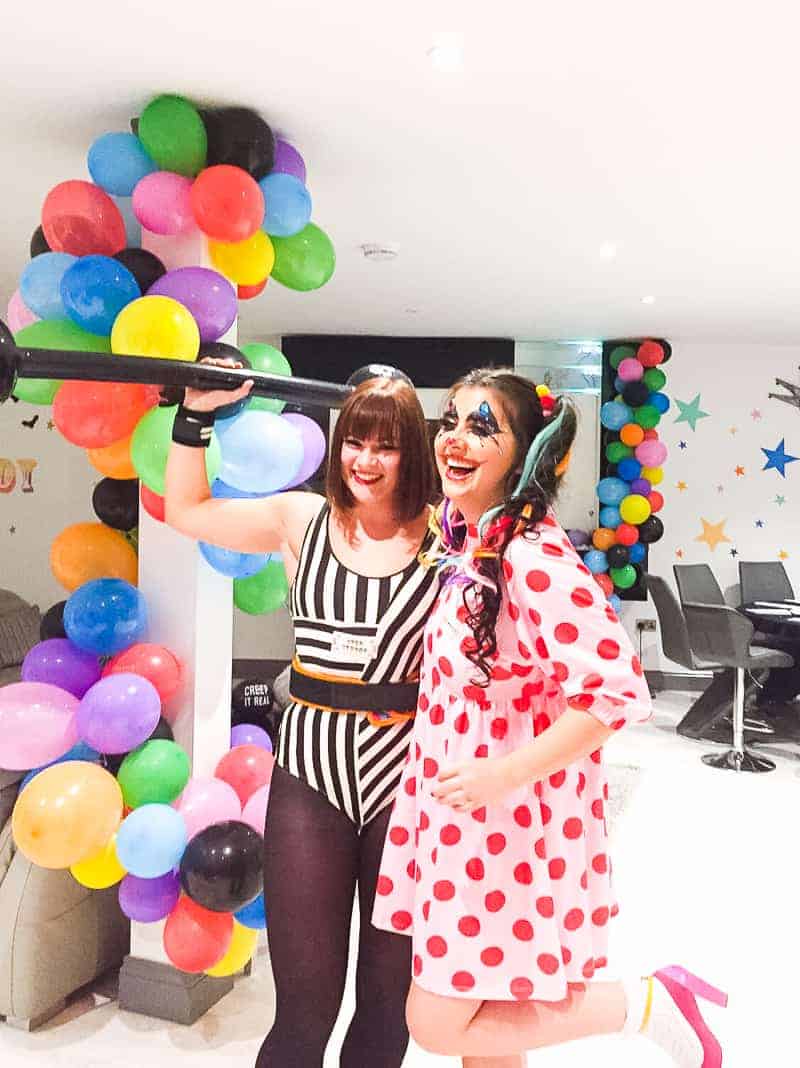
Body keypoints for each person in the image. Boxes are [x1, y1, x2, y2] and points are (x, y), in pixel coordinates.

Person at [373, 368, 727, 1068]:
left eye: (482, 427)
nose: (455, 439)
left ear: (524, 453)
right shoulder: (472, 546)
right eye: (450, 422)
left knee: (438, 1023)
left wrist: (501, 775)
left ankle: (646, 1003)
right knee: (490, 1016)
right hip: (464, 815)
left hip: (500, 828)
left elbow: (614, 693)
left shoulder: (529, 557)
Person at [164, 368, 440, 1067]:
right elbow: (186, 509)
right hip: (311, 775)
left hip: (410, 780)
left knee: (388, 1007)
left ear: (413, 450)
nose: (365, 461)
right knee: (304, 1010)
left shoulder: (447, 538)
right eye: (354, 441)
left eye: (386, 446)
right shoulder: (301, 518)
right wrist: (194, 418)